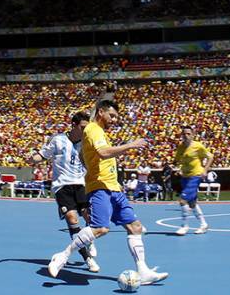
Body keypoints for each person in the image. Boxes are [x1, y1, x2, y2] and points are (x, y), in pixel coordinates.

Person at [48, 100, 167, 285]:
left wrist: (88, 160)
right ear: (101, 112)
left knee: (135, 227)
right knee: (100, 228)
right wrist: (131, 145)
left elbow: (84, 155)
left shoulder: (99, 132)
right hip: (100, 187)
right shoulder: (93, 129)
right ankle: (62, 256)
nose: (114, 120)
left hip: (113, 187)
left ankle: (143, 271)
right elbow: (103, 153)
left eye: (116, 117)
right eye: (112, 115)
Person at [31, 111, 99, 273]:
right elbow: (42, 155)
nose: (85, 130)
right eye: (82, 127)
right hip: (62, 186)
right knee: (71, 218)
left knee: (89, 216)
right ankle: (87, 258)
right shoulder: (58, 140)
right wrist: (32, 158)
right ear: (74, 126)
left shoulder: (86, 142)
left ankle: (89, 240)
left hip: (81, 184)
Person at [174, 125, 213, 235]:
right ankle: (203, 224)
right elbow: (177, 160)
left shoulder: (198, 146)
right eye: (184, 134)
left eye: (188, 134)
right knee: (192, 203)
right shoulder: (181, 147)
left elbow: (210, 157)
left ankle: (184, 226)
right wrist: (178, 169)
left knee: (182, 200)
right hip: (185, 176)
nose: (186, 136)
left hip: (195, 175)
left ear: (193, 135)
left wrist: (205, 170)